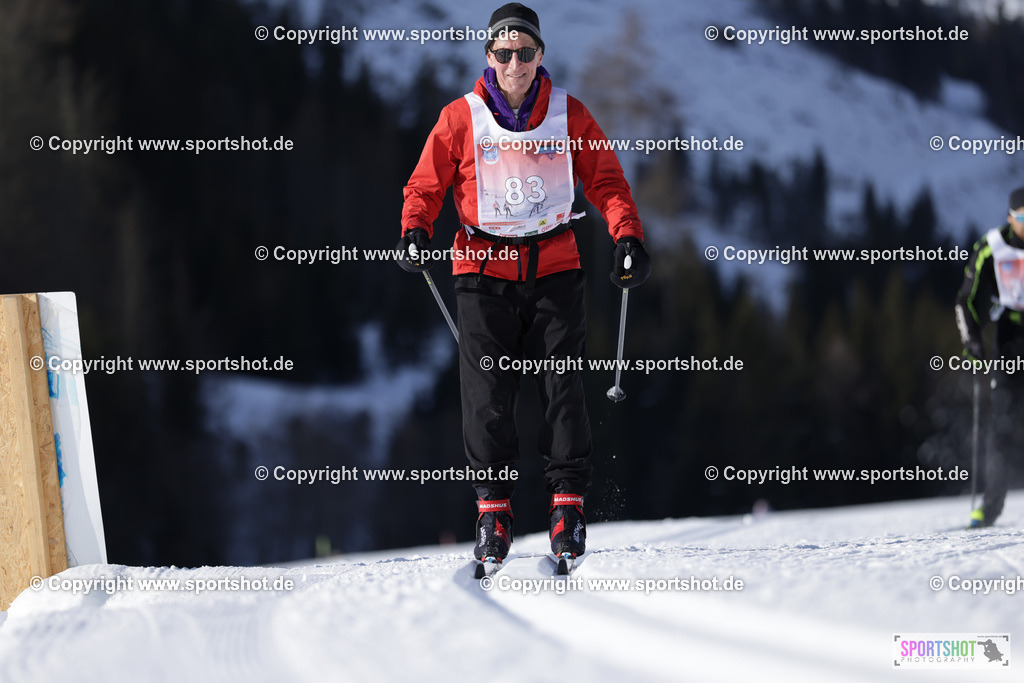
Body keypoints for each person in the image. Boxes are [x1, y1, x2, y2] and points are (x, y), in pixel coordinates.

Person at [396, 3, 651, 562]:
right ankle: (494, 515)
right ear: (489, 56)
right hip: (481, 274)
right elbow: (426, 184)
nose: (515, 63)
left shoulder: (569, 115)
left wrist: (626, 235)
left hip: (555, 268)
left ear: (541, 56)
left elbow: (605, 180)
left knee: (562, 389)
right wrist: (415, 228)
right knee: (488, 397)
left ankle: (567, 509)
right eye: (504, 53)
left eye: (526, 52)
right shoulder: (460, 117)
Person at [955, 187, 1024, 528]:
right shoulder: (993, 245)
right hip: (1010, 337)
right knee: (1003, 425)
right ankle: (991, 504)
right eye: (1022, 217)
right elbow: (965, 299)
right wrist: (972, 340)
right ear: (1010, 217)